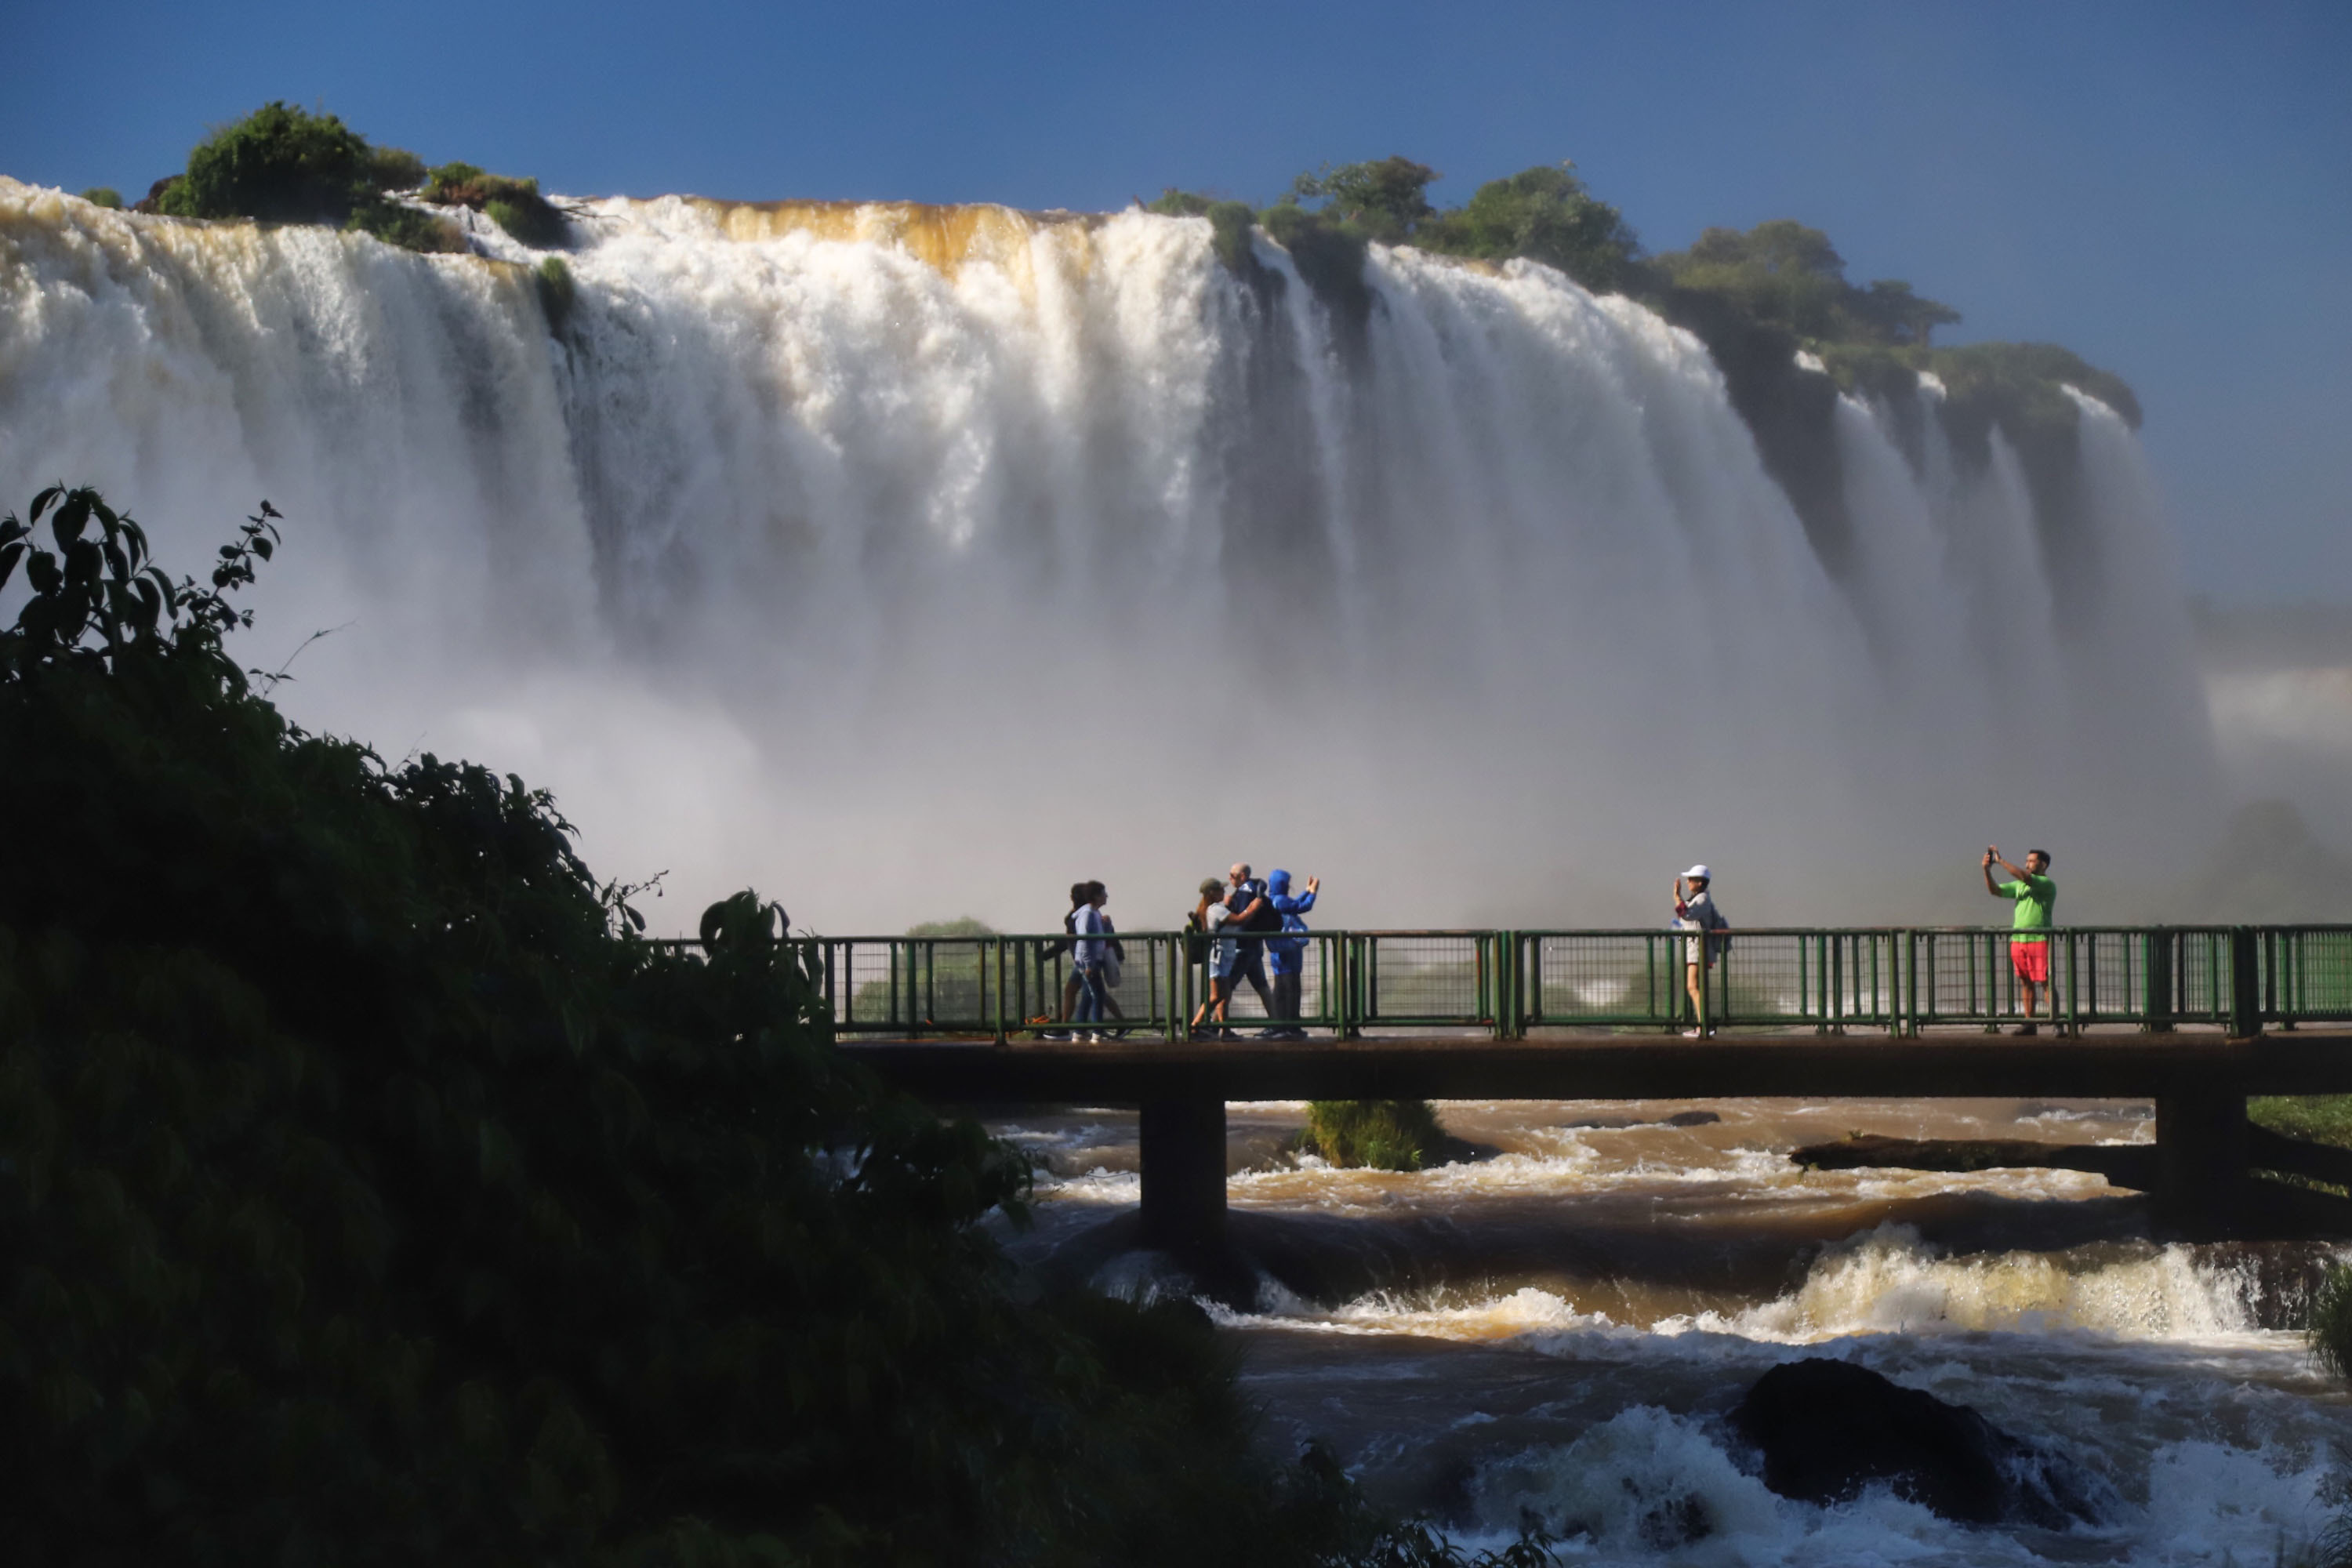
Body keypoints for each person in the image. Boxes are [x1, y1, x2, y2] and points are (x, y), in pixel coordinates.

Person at [1983, 845, 2056, 1036]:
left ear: (2044, 865)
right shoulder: (2020, 885)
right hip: (2019, 939)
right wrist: (1986, 871)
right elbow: (1996, 891)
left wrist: (2000, 861)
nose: (2028, 864)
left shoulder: (2046, 884)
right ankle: (2029, 1022)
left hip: (2039, 938)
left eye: (2032, 861)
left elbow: (2024, 876)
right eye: (2027, 861)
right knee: (2026, 982)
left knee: (2045, 981)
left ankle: (2057, 1022)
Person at [1671, 864, 1729, 1037]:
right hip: (1694, 948)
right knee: (1695, 986)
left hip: (1699, 949)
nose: (1688, 882)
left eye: (1691, 879)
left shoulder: (1703, 900)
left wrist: (1676, 897)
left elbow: (1687, 915)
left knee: (1693, 986)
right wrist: (1680, 898)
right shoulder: (1698, 899)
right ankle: (1702, 1024)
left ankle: (1703, 1024)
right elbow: (1685, 914)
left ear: (1700, 882)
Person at [1263, 869, 1321, 1039]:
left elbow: (1293, 904)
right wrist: (1313, 893)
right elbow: (1302, 907)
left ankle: (1280, 1025)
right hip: (1289, 952)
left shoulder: (1274, 900)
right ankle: (1292, 1027)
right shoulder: (1281, 900)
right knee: (1292, 989)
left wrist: (1306, 891)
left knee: (1280, 989)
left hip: (1278, 953)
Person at [1221, 862, 1279, 1026]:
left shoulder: (1246, 891)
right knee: (1262, 986)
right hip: (1254, 947)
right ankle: (1276, 1024)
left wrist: (1228, 907)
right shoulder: (1254, 889)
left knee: (1227, 985)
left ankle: (1217, 1026)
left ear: (1242, 877)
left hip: (1243, 947)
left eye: (1232, 875)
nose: (1229, 878)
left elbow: (1242, 918)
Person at [1186, 878, 1240, 1038]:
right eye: (1221, 890)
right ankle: (1195, 1024)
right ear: (1212, 893)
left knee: (1225, 994)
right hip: (1217, 957)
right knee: (1217, 995)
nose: (1224, 892)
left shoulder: (1208, 909)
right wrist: (1253, 906)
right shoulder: (1215, 909)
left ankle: (1224, 1028)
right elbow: (1239, 920)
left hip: (1219, 955)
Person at [1069, 882, 1113, 1042]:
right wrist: (1088, 965)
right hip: (1089, 962)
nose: (1106, 896)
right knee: (1098, 995)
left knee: (1088, 996)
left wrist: (1106, 925)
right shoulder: (1087, 914)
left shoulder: (1094, 913)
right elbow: (1084, 940)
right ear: (1096, 896)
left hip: (1095, 960)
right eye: (1103, 893)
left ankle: (1079, 1032)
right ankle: (1097, 1033)